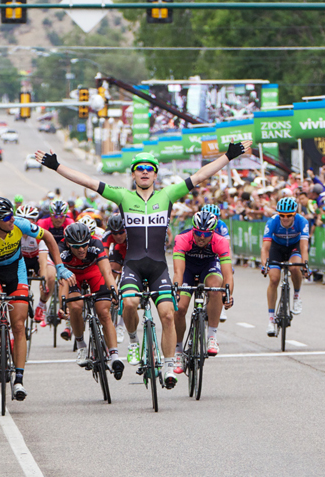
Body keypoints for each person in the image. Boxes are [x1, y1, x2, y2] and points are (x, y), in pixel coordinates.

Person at [35, 141, 251, 389]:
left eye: (149, 168)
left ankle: (169, 365)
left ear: (156, 174)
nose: (145, 172)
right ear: (134, 173)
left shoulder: (167, 195)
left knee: (168, 315)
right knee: (129, 303)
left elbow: (201, 175)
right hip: (133, 266)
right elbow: (88, 181)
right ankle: (135, 340)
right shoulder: (123, 196)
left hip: (158, 267)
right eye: (140, 168)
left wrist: (228, 156)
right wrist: (56, 166)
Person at [0, 197, 73, 402]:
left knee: (18, 326)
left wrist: (59, 266)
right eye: (6, 216)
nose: (12, 219)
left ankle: (19, 379)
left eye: (11, 214)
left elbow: (50, 238)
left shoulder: (20, 224)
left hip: (16, 270)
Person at [59, 222, 124, 378]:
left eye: (84, 245)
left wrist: (114, 291)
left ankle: (114, 356)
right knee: (75, 306)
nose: (81, 249)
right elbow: (61, 279)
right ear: (68, 243)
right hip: (72, 276)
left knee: (104, 313)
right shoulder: (61, 249)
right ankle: (81, 345)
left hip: (94, 273)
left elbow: (106, 271)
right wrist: (63, 301)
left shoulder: (95, 244)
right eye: (76, 246)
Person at [172, 210, 233, 366]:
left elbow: (228, 275)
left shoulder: (221, 241)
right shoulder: (182, 239)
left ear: (213, 232)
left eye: (206, 234)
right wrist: (176, 291)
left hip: (209, 267)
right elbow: (178, 271)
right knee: (180, 307)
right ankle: (178, 351)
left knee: (216, 288)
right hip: (188, 270)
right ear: (193, 229)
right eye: (198, 232)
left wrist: (228, 294)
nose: (201, 237)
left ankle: (212, 336)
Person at [260, 197, 310, 336]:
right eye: (282, 215)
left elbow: (304, 247)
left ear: (295, 214)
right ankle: (271, 320)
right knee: (274, 279)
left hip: (294, 247)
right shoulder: (272, 222)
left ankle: (296, 295)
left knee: (295, 267)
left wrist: (305, 266)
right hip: (277, 248)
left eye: (289, 215)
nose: (285, 218)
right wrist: (265, 265)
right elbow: (265, 248)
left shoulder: (302, 221)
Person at [15, 204, 55, 323]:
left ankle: (41, 306)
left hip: (38, 258)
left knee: (51, 276)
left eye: (29, 220)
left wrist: (44, 281)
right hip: (22, 260)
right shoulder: (13, 234)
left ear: (35, 221)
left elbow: (43, 261)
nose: (25, 224)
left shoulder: (39, 234)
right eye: (22, 220)